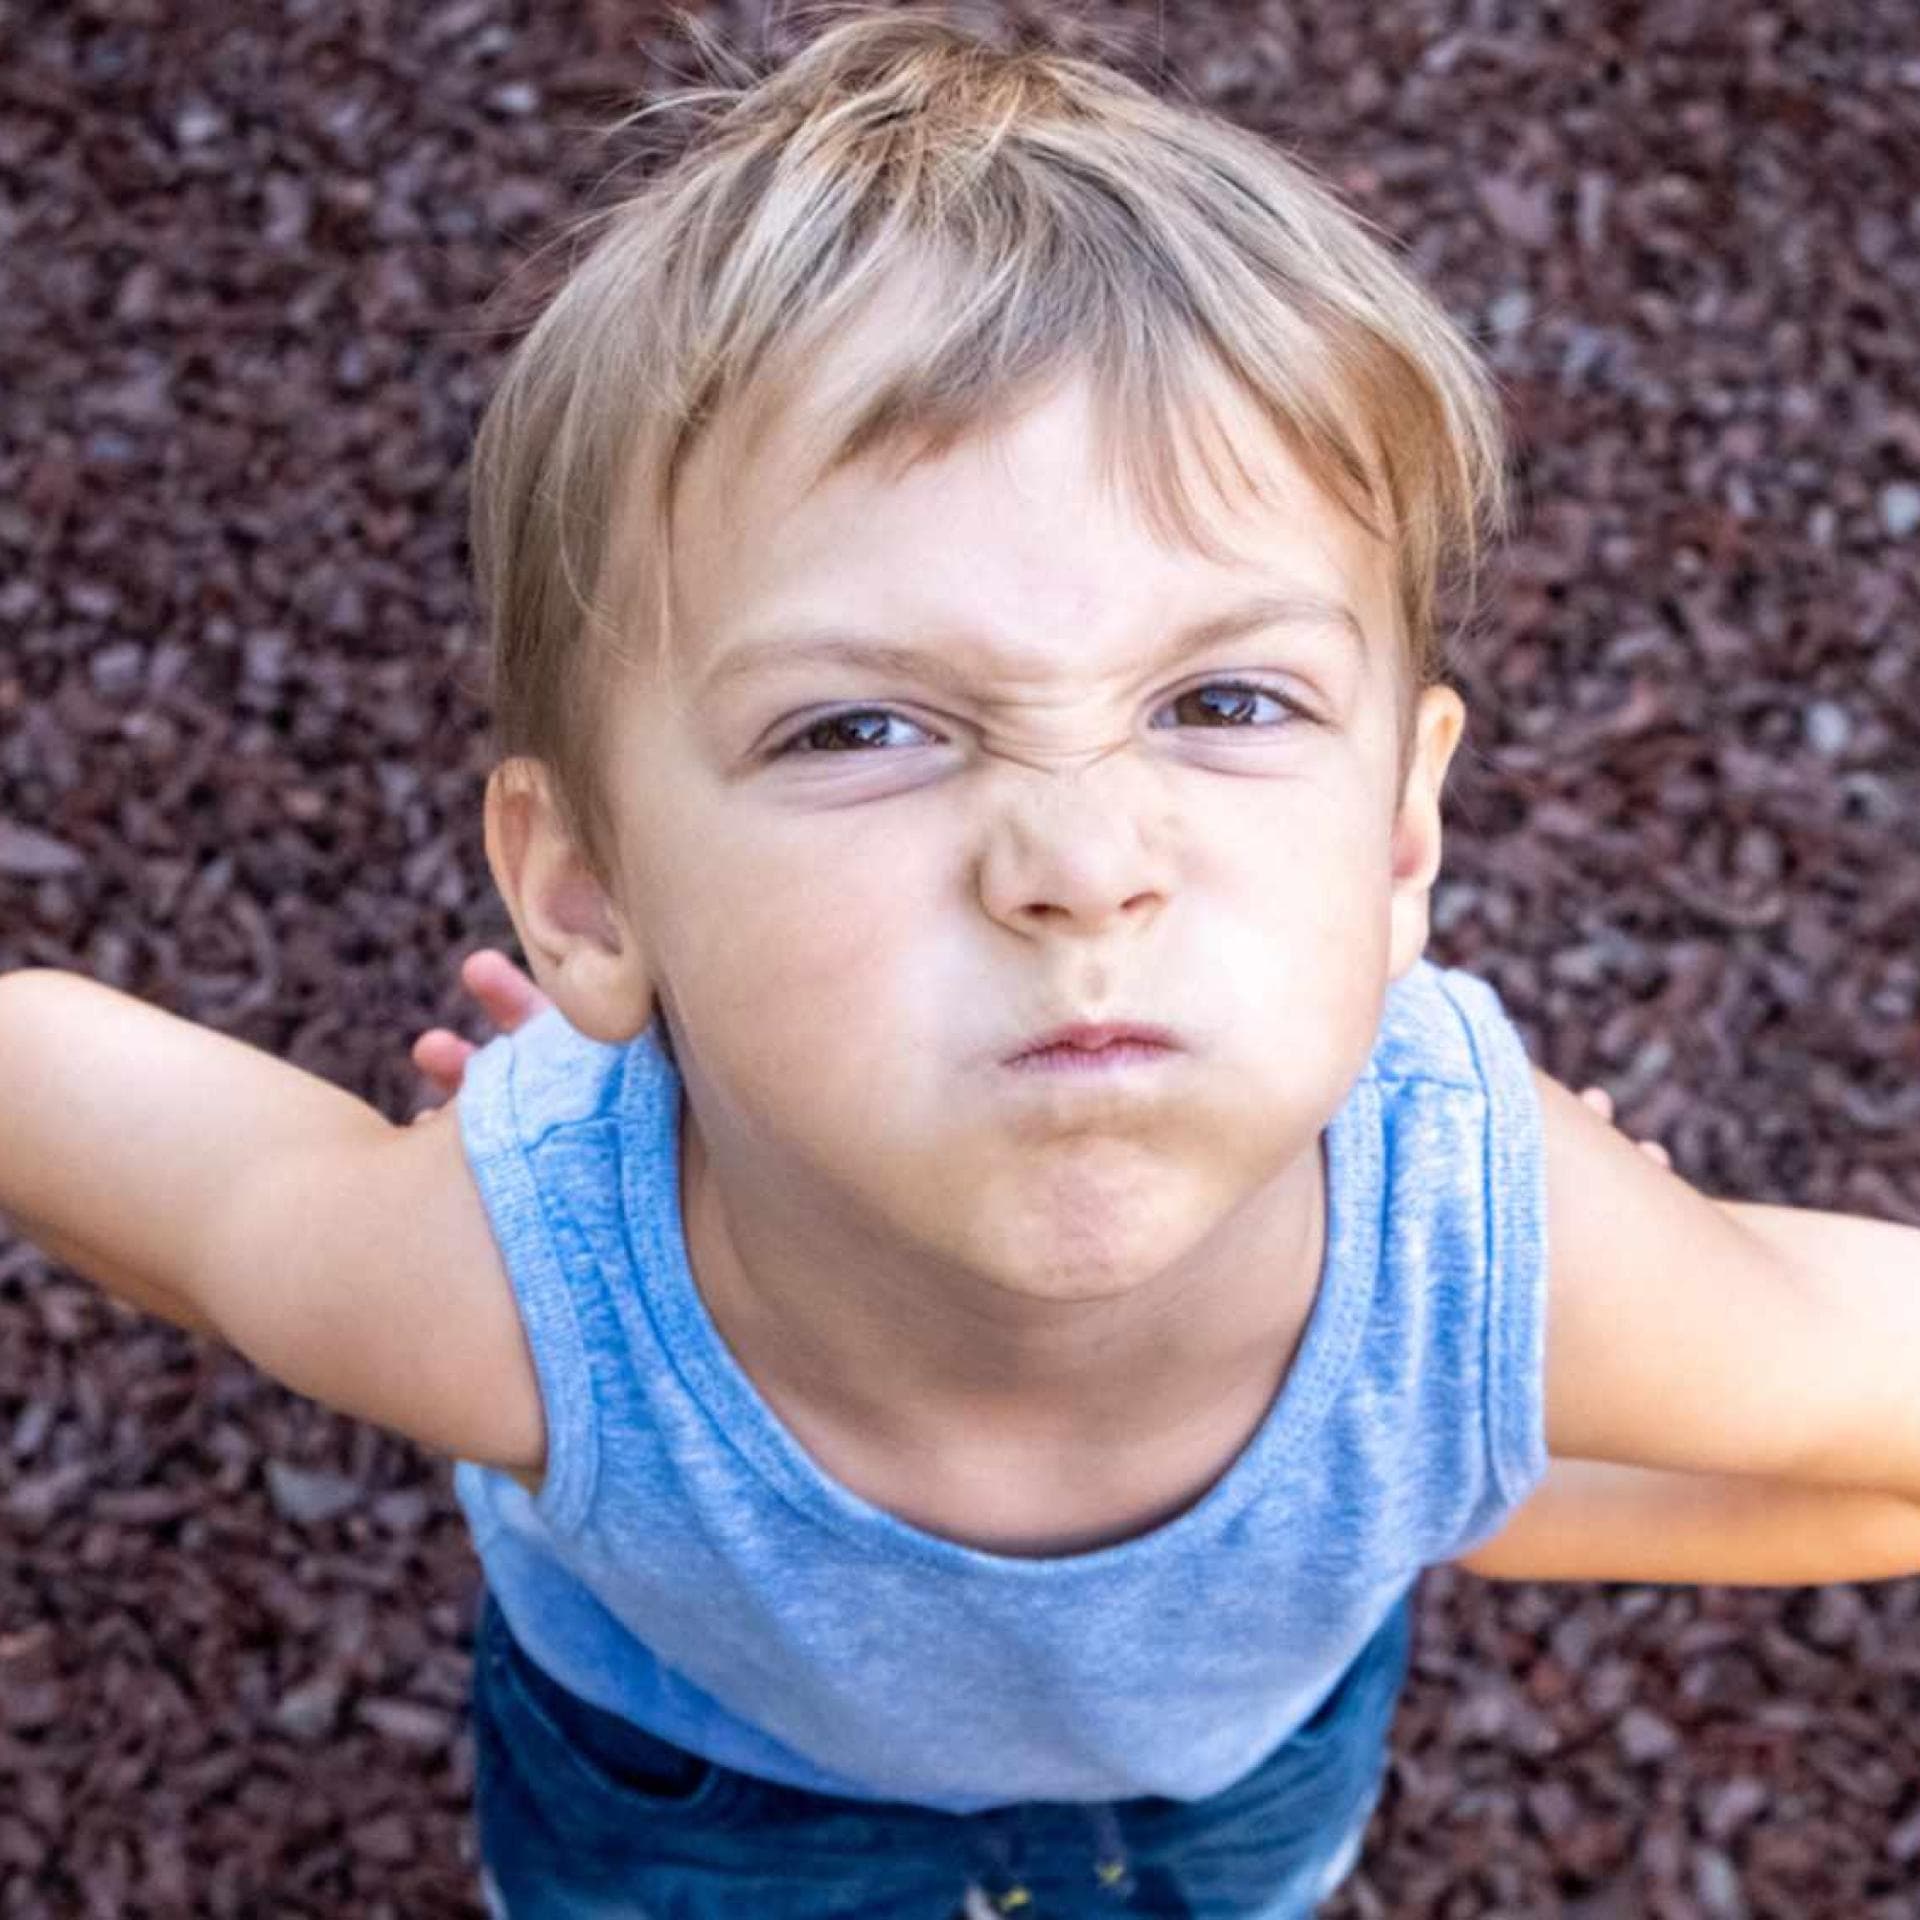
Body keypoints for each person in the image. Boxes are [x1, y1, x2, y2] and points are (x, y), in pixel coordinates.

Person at [5, 13, 1920, 1917]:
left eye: (1224, 700)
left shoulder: (1482, 1254)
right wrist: (478, 1197)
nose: (1082, 866)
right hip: (696, 1813)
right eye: (861, 729)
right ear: (585, 898)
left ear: (1402, 832)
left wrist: (1473, 1481)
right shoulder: (509, 1291)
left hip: (1218, 1802)